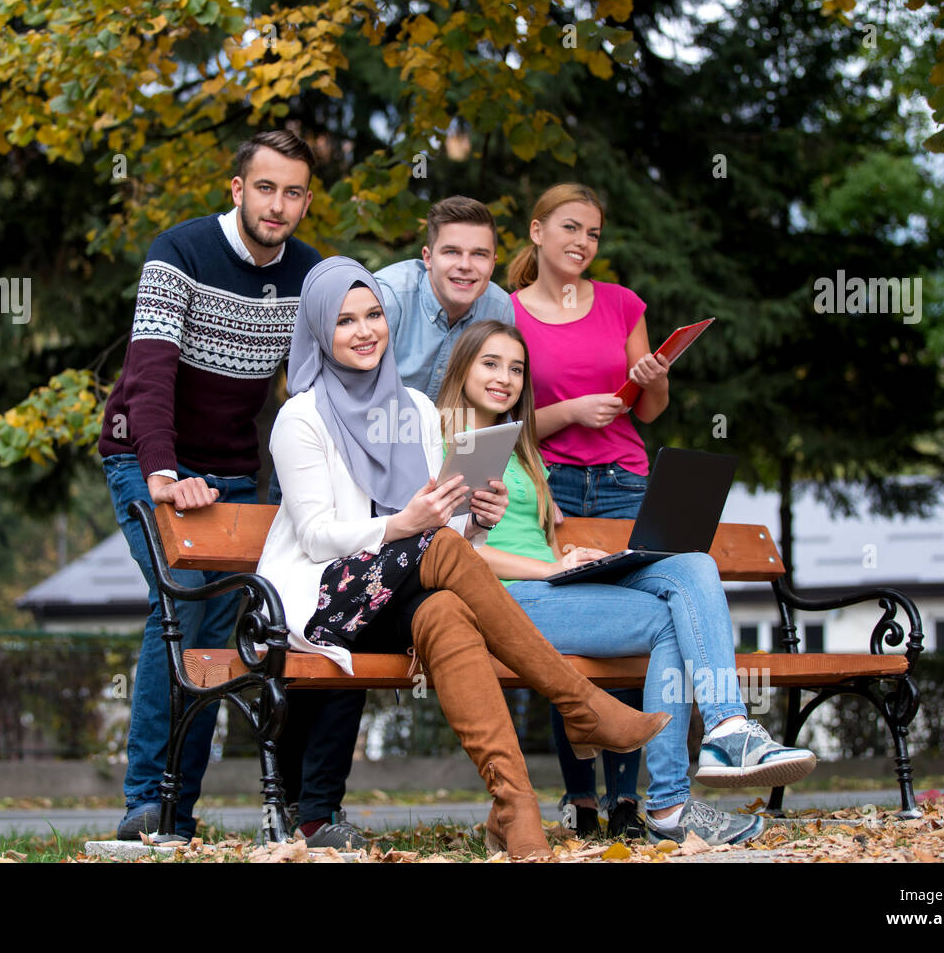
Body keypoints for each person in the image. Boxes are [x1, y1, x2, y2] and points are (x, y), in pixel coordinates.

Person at [255, 256, 671, 859]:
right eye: (345, 321)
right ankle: (580, 705)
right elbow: (317, 536)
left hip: (396, 591)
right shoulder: (301, 418)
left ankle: (516, 808)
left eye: (374, 314)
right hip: (321, 601)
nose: (365, 330)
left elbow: (443, 531)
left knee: (447, 610)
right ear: (320, 330)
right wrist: (408, 524)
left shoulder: (418, 411)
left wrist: (475, 518)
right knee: (441, 549)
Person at [433, 320, 818, 846]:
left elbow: (526, 535)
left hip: (549, 583)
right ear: (462, 367)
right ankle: (669, 807)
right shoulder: (442, 437)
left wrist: (571, 557)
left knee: (692, 565)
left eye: (517, 368)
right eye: (491, 363)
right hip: (501, 600)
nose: (506, 378)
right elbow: (451, 548)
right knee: (666, 624)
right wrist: (551, 569)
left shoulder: (519, 446)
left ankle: (728, 727)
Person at [98, 130, 324, 841]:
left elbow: (318, 388)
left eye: (292, 192)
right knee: (183, 613)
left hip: (234, 472)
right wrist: (164, 474)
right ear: (237, 189)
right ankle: (149, 805)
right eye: (265, 187)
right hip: (145, 455)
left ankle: (178, 811)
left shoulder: (309, 277)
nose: (277, 204)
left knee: (226, 630)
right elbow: (150, 374)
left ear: (306, 201)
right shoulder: (180, 253)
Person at [505, 182, 674, 837]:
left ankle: (628, 799)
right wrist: (568, 412)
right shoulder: (508, 311)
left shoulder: (623, 304)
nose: (582, 242)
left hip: (625, 481)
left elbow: (648, 409)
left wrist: (655, 383)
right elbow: (503, 418)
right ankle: (581, 797)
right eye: (570, 228)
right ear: (538, 231)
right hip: (553, 485)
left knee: (629, 634)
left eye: (593, 233)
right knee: (571, 640)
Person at [374, 196, 515, 399]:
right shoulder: (388, 299)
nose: (465, 265)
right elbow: (355, 390)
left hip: (457, 428)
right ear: (428, 258)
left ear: (493, 264)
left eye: (478, 254)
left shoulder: (499, 308)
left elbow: (497, 398)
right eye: (452, 252)